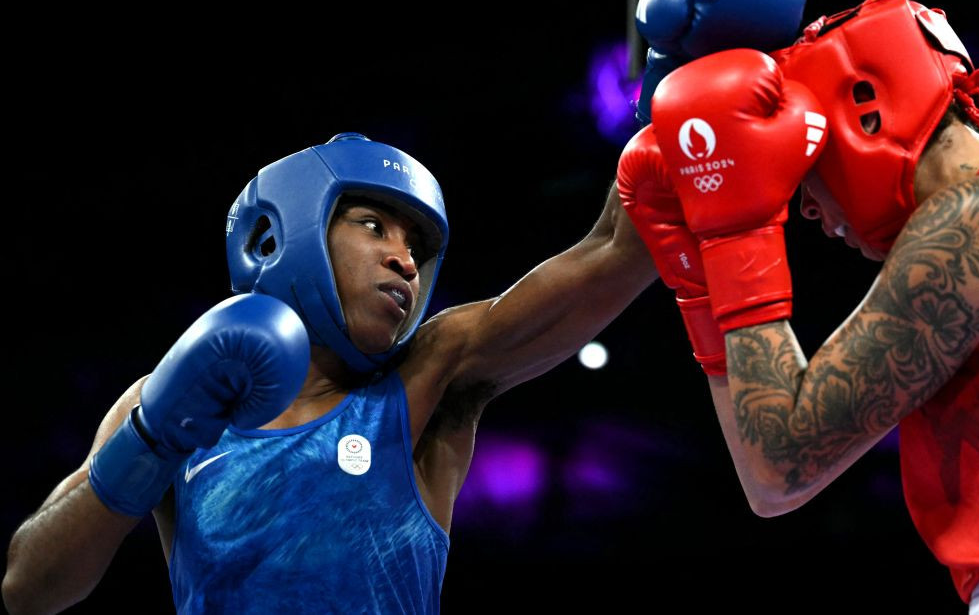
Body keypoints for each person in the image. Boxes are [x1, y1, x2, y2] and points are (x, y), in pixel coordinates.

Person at [620, 0, 979, 613]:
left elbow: (782, 464)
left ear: (865, 110)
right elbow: (767, 483)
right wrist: (700, 287)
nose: (805, 207)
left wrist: (734, 231)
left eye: (804, 165)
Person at [3, 132, 663, 614]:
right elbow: (29, 587)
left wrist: (668, 116)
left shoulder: (430, 375)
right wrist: (152, 438)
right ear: (284, 236)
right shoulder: (166, 402)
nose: (405, 260)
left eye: (416, 246)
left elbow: (611, 251)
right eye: (375, 226)